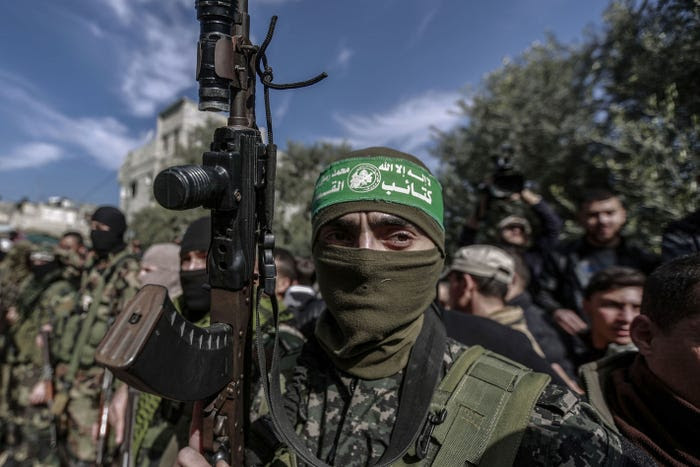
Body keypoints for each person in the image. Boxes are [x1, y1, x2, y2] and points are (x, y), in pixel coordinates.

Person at [176, 147, 649, 466]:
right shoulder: (257, 376)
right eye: (340, 236)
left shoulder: (528, 411)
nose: (365, 259)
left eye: (397, 236)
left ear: (437, 255)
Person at [580, 254, 700, 466]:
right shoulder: (571, 438)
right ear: (646, 336)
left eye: (633, 306)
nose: (624, 317)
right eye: (612, 305)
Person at [53, 206, 140, 465]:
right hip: (72, 370)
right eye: (92, 227)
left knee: (88, 452)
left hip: (97, 378)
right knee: (64, 442)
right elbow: (65, 256)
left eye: (101, 229)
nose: (95, 233)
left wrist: (120, 387)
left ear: (117, 232)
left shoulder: (127, 270)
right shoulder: (94, 262)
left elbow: (131, 330)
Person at [536, 188, 657, 337]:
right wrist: (555, 310)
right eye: (593, 215)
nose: (602, 221)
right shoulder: (561, 257)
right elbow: (542, 292)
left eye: (609, 213)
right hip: (579, 338)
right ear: (580, 218)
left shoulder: (644, 259)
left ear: (623, 215)